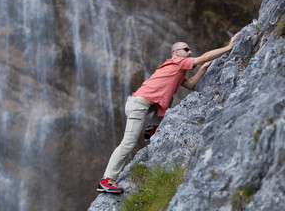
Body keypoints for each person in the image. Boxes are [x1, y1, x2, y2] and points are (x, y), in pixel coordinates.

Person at [96, 33, 240, 194]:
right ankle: (106, 180)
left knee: (168, 97)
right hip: (138, 105)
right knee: (128, 143)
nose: (190, 52)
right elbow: (203, 57)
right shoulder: (177, 62)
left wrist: (205, 67)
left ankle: (152, 128)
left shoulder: (176, 71)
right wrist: (229, 47)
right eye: (186, 49)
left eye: (190, 50)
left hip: (144, 104)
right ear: (176, 52)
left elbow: (191, 84)